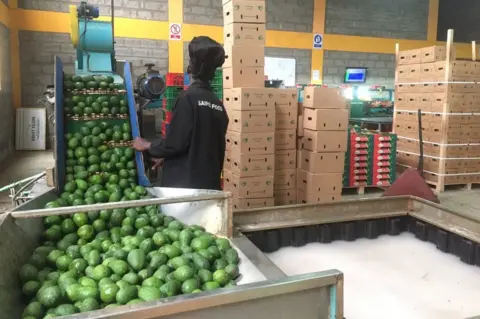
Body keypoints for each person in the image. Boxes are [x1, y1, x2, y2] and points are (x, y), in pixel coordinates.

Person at [132, 36, 229, 191]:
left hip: (185, 189)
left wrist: (147, 145)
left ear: (193, 67)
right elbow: (200, 146)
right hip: (210, 186)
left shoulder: (187, 99)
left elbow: (174, 143)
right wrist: (167, 158)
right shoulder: (219, 106)